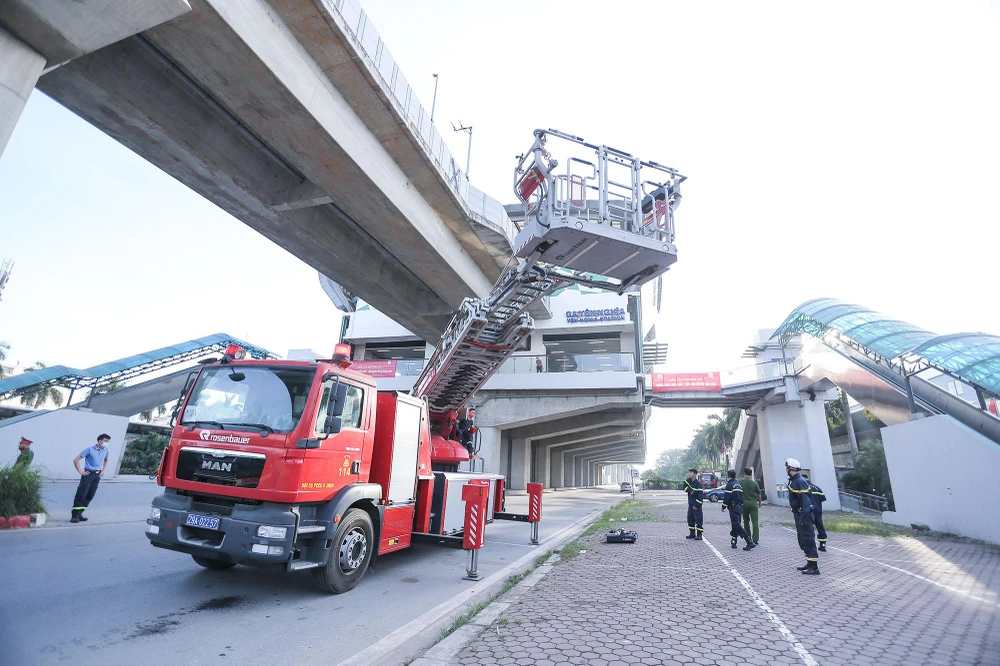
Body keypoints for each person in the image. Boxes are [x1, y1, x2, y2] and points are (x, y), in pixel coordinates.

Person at [785, 458, 819, 574]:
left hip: (803, 514)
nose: (786, 469)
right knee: (803, 539)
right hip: (799, 514)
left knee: (808, 538)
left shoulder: (799, 481)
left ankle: (814, 567)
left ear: (790, 468)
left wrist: (803, 518)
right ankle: (809, 562)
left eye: (787, 467)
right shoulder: (795, 480)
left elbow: (805, 502)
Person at [71, 433, 111, 523]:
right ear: (99, 441)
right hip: (88, 474)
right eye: (105, 441)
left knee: (90, 495)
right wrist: (81, 471)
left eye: (107, 441)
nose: (106, 443)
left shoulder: (106, 450)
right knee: (82, 494)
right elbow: (76, 460)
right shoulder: (89, 450)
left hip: (97, 476)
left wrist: (104, 470)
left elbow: (106, 460)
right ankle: (74, 515)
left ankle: (80, 513)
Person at [722, 469, 755, 551]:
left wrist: (723, 506)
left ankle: (749, 541)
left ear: (728, 475)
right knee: (736, 523)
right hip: (739, 506)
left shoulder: (730, 485)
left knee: (736, 524)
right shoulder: (738, 484)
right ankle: (734, 541)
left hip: (733, 506)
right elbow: (741, 497)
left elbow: (727, 497)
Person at [804, 475, 828, 551]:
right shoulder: (817, 488)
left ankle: (810, 546)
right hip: (818, 511)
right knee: (820, 528)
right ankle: (823, 545)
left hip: (808, 511)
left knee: (808, 528)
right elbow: (823, 499)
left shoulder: (804, 488)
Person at [739, 467, 762, 545]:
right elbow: (759, 494)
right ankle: (755, 539)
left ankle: (748, 537)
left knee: (746, 521)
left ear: (744, 473)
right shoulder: (754, 483)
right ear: (751, 474)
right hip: (753, 503)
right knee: (755, 522)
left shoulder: (740, 482)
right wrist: (759, 502)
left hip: (744, 503)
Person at [683, 468, 704, 540]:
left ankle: (699, 535)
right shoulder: (688, 481)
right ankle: (692, 533)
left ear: (695, 474)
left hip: (696, 505)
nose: (690, 474)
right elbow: (684, 486)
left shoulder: (698, 484)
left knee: (698, 519)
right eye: (689, 472)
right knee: (690, 518)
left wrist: (697, 505)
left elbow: (701, 496)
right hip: (690, 504)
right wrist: (689, 490)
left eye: (691, 472)